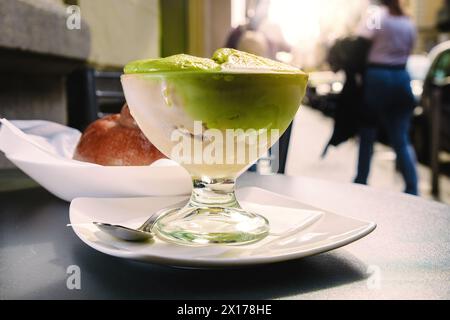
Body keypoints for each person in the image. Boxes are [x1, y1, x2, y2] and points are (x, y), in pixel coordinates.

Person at [355, 0, 419, 195]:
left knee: (367, 132)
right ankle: (412, 187)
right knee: (401, 137)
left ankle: (361, 181)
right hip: (401, 76)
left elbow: (361, 40)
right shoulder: (408, 21)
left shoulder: (377, 14)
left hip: (378, 76)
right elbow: (410, 48)